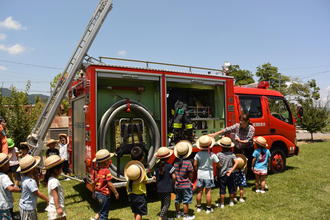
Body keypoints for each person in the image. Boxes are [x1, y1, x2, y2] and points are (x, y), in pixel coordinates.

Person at [193, 135, 220, 214]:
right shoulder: (212, 154)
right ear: (210, 145)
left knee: (199, 192)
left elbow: (195, 164)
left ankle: (198, 207)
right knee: (208, 192)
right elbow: (218, 164)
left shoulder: (198, 154)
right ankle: (208, 208)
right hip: (209, 175)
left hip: (200, 174)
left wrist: (197, 170)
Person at [90, 149, 119, 220]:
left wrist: (93, 192)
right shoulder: (106, 171)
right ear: (106, 162)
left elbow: (93, 183)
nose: (110, 161)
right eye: (109, 159)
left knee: (100, 208)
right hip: (104, 195)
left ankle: (95, 218)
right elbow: (109, 184)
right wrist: (116, 192)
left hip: (97, 193)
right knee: (104, 213)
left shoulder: (95, 171)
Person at [18, 154, 49, 220]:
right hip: (28, 208)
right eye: (35, 167)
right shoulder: (30, 181)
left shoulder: (24, 178)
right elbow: (37, 193)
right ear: (32, 169)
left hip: (26, 206)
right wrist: (47, 199)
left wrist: (36, 177)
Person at [173, 141, 195, 220]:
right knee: (186, 200)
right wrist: (191, 181)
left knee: (177, 200)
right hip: (186, 185)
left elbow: (172, 173)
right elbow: (191, 173)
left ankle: (178, 213)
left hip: (177, 185)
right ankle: (185, 216)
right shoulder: (188, 162)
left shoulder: (175, 162)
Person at [216, 137, 239, 208]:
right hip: (230, 174)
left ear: (221, 146)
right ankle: (231, 202)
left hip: (222, 174)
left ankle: (222, 204)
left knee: (222, 189)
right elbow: (237, 162)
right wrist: (231, 170)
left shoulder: (219, 154)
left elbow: (218, 165)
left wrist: (218, 171)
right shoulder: (232, 154)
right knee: (231, 188)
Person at [153, 147, 176, 220]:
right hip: (167, 188)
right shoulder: (170, 166)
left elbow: (154, 177)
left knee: (163, 203)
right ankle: (161, 217)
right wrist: (173, 183)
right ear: (168, 157)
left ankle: (164, 218)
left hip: (159, 188)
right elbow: (174, 177)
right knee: (167, 204)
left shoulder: (156, 166)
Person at [43, 155, 66, 220]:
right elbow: (55, 194)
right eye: (61, 168)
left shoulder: (51, 179)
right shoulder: (54, 181)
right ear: (56, 170)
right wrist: (58, 208)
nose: (62, 169)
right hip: (56, 207)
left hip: (56, 206)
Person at [0, 153, 21, 220]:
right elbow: (10, 188)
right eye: (8, 163)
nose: (9, 165)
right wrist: (19, 189)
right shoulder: (4, 177)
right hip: (6, 205)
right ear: (4, 166)